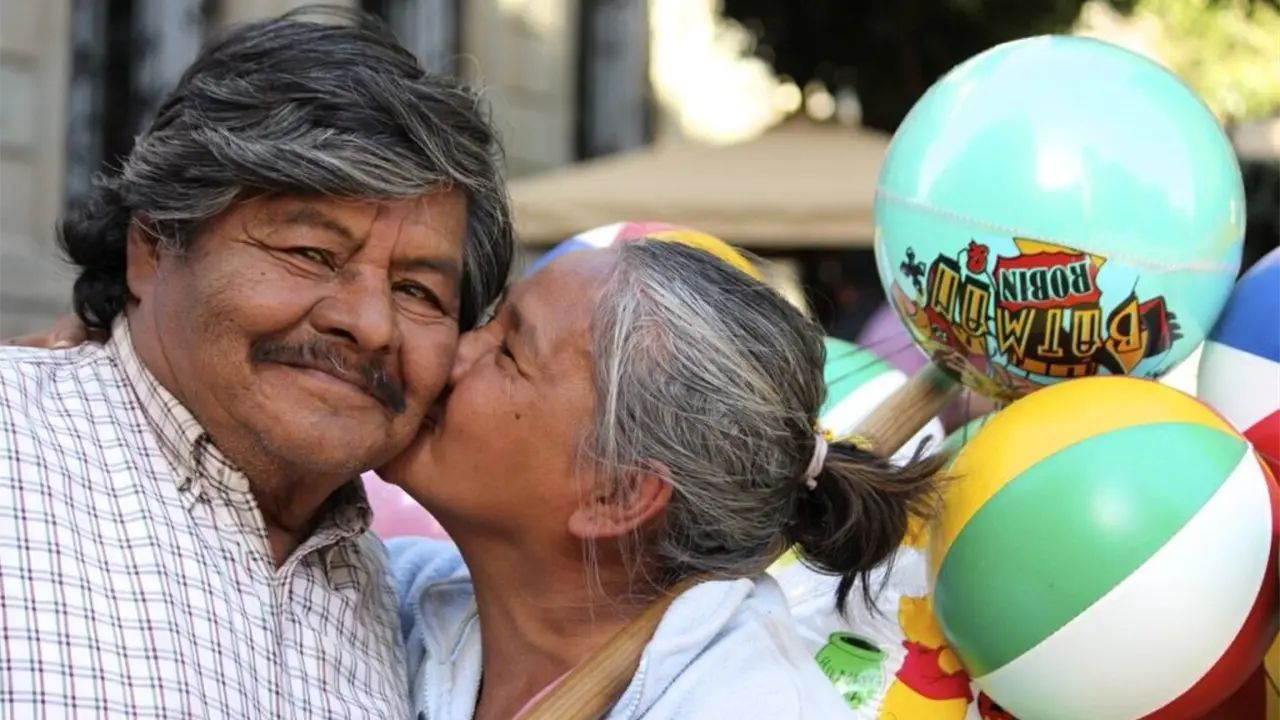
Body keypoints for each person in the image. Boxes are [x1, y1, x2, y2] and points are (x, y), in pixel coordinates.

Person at [0, 7, 512, 718]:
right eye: (311, 253)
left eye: (417, 291)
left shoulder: (431, 625)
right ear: (154, 246)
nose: (369, 324)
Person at [381, 240, 946, 719]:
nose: (453, 353)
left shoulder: (749, 707)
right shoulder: (381, 598)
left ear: (618, 494)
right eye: (489, 320)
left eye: (507, 352)